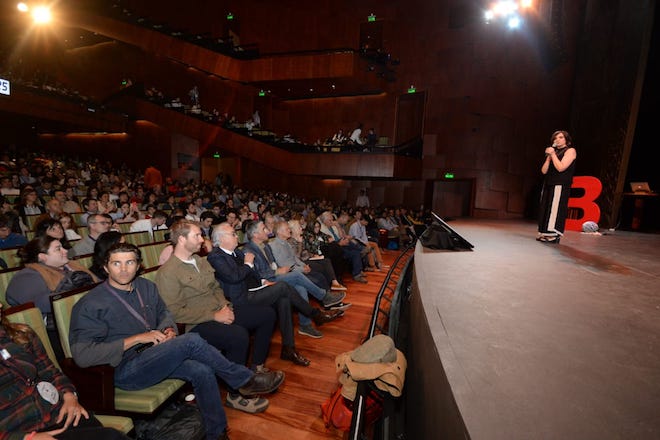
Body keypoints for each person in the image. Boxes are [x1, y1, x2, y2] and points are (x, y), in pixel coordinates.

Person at [69, 243, 284, 440]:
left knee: (202, 370)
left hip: (156, 353)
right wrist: (135, 339)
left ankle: (216, 433)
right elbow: (83, 355)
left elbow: (165, 313)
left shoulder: (145, 287)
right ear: (105, 268)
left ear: (138, 266)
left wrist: (168, 329)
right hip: (125, 369)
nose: (124, 269)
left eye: (130, 262)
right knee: (190, 340)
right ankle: (244, 380)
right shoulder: (92, 303)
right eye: (116, 263)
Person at [154, 220, 278, 413]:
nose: (202, 240)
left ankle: (255, 369)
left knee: (267, 314)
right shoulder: (168, 272)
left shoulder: (199, 261)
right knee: (238, 335)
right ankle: (235, 394)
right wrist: (214, 315)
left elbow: (215, 288)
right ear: (181, 239)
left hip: (219, 310)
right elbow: (175, 312)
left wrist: (224, 307)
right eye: (196, 235)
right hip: (196, 323)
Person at [208, 223, 343, 358]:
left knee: (283, 299)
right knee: (283, 286)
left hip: (254, 289)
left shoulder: (236, 252)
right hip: (239, 298)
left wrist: (262, 281)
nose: (236, 236)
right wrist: (248, 264)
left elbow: (252, 275)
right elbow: (234, 277)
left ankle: (288, 349)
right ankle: (315, 314)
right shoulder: (216, 256)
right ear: (221, 238)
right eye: (232, 234)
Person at [0, 303, 130, 440]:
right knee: (110, 436)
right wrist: (26, 438)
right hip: (18, 431)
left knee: (95, 426)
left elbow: (49, 371)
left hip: (54, 414)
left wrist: (69, 395)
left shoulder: (21, 335)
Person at [5, 236, 98, 361]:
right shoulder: (27, 276)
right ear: (42, 256)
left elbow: (99, 284)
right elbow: (43, 303)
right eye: (58, 249)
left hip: (86, 317)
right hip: (54, 329)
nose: (65, 251)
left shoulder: (72, 266)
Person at [537, 130, 577, 243]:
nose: (557, 140)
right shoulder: (553, 153)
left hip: (560, 184)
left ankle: (553, 235)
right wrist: (549, 157)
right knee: (546, 207)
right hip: (549, 182)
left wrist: (553, 155)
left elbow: (561, 167)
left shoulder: (570, 151)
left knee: (555, 208)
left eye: (560, 137)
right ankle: (544, 232)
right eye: (555, 138)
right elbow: (544, 171)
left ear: (566, 140)